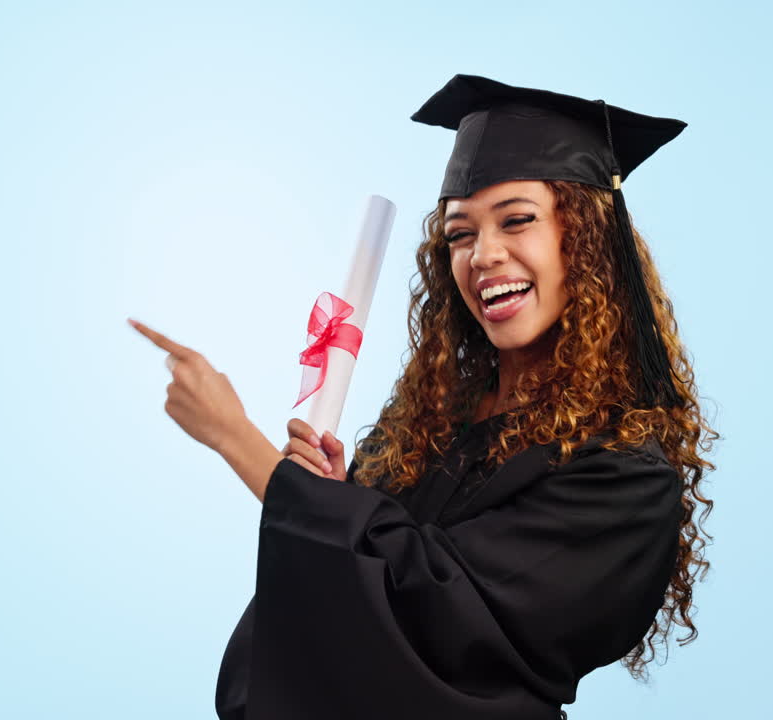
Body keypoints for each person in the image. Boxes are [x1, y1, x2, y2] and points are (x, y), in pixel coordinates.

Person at [129, 74, 719, 720]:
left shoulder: (627, 473)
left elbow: (437, 609)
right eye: (460, 233)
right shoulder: (429, 424)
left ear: (584, 239)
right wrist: (337, 496)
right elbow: (349, 597)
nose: (483, 255)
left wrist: (238, 443)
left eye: (516, 220)